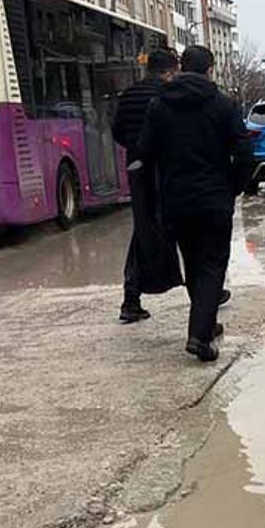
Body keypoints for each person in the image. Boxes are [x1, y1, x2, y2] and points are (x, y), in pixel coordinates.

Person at [137, 45, 254, 363]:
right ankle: (200, 336)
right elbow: (245, 152)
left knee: (193, 264)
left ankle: (206, 323)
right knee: (212, 265)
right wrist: (233, 187)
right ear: (209, 69)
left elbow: (144, 151)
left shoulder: (159, 105)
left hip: (176, 200)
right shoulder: (223, 104)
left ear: (181, 68)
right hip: (214, 198)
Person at [112, 48, 182, 324]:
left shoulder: (129, 94)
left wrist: (135, 148)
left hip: (137, 169)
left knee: (143, 230)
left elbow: (117, 130)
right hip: (166, 168)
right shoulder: (168, 95)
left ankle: (131, 298)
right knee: (184, 228)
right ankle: (205, 291)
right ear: (170, 71)